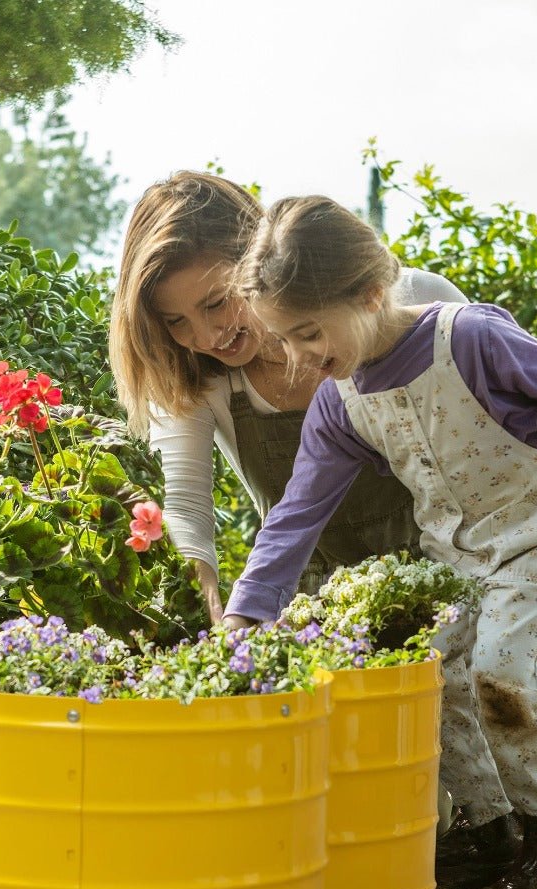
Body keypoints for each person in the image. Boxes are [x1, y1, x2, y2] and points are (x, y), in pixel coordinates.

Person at [222, 194, 537, 889]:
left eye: (309, 332)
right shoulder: (339, 402)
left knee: (503, 676)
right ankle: (495, 832)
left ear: (372, 292)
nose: (300, 357)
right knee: (425, 677)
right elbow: (296, 513)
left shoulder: (467, 337)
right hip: (461, 560)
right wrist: (246, 612)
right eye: (285, 340)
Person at [109, 172, 468, 622]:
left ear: (258, 260)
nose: (205, 336)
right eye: (176, 322)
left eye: (217, 302)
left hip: (460, 573)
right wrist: (208, 621)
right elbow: (187, 511)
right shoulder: (195, 379)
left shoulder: (409, 305)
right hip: (317, 613)